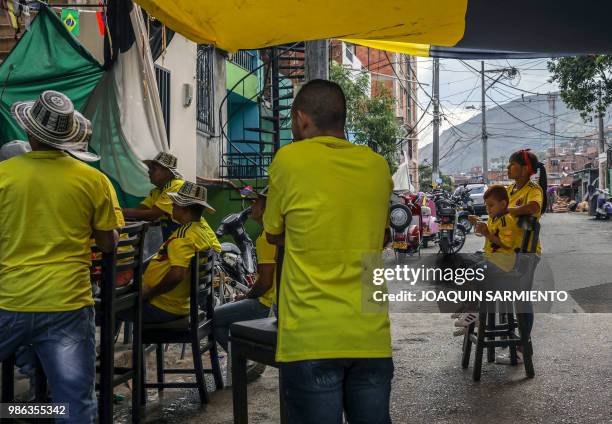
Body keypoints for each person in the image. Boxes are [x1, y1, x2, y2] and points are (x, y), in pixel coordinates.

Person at [263, 79, 393, 423]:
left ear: (302, 118)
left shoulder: (288, 161)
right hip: (370, 335)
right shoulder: (378, 166)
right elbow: (380, 236)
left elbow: (274, 233)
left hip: (310, 335)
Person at [0, 90, 122, 422]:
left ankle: (18, 405)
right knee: (75, 404)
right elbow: (109, 244)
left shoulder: (4, 176)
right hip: (67, 306)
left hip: (8, 304)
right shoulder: (94, 180)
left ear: (28, 131)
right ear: (68, 139)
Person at [128, 181, 221, 323]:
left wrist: (149, 293)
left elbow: (177, 275)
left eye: (175, 204)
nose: (171, 207)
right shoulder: (201, 231)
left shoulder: (183, 236)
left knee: (111, 305)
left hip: (162, 306)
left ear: (184, 209)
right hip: (179, 305)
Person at [495, 148, 547, 364]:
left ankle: (521, 349)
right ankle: (471, 315)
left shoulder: (533, 190)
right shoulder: (509, 189)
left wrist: (509, 211)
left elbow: (535, 206)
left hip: (524, 256)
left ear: (525, 169)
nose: (508, 168)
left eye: (511, 164)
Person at [213, 187, 276, 352]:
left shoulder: (266, 239)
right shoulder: (275, 234)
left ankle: (242, 362)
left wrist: (246, 296)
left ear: (267, 209)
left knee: (212, 318)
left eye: (256, 202)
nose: (251, 206)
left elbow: (265, 283)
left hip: (264, 303)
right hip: (269, 301)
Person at [454, 185, 522, 332]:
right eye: (486, 206)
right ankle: (469, 308)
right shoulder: (494, 219)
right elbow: (487, 233)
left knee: (472, 273)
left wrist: (487, 234)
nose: (488, 209)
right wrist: (478, 223)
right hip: (491, 258)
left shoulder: (506, 220)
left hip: (503, 263)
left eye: (491, 205)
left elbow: (505, 243)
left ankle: (473, 311)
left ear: (503, 204)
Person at [122, 152, 186, 240]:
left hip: (191, 241)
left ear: (168, 173)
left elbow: (153, 214)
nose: (149, 171)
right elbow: (140, 210)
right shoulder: (156, 191)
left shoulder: (177, 185)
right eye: (149, 168)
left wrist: (118, 213)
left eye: (154, 168)